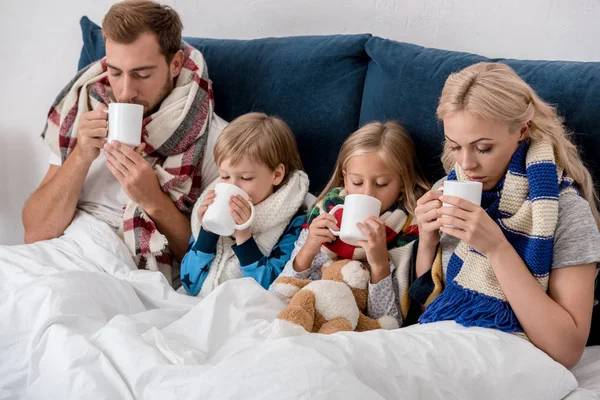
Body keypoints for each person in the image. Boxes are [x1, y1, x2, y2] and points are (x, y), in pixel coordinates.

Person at [22, 1, 225, 284]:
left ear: (175, 63)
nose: (126, 92)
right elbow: (34, 232)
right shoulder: (84, 109)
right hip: (58, 257)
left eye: (142, 74)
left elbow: (211, 266)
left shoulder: (216, 141)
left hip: (122, 276)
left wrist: (153, 200)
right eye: (115, 72)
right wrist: (81, 155)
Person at [413, 62, 600, 369]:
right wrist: (427, 240)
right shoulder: (449, 188)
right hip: (437, 348)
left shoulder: (566, 212)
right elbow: (429, 309)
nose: (466, 163)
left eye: (482, 148)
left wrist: (497, 248)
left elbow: (567, 350)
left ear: (521, 130)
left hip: (504, 362)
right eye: (455, 147)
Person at [276, 121, 430, 327]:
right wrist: (309, 248)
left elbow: (388, 321)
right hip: (310, 317)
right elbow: (279, 293)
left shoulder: (408, 230)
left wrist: (379, 263)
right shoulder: (324, 213)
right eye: (357, 182)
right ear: (345, 178)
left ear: (402, 182)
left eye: (382, 184)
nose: (367, 193)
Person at [180, 113, 309, 297]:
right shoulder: (212, 207)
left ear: (277, 175)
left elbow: (272, 291)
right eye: (224, 176)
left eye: (245, 178)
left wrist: (244, 238)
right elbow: (189, 283)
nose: (232, 186)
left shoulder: (293, 224)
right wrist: (206, 233)